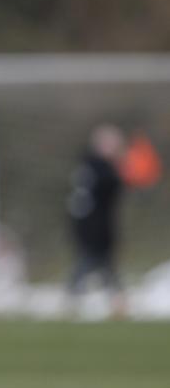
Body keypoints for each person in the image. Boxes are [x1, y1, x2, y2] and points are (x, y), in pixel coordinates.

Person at [66, 124, 127, 316]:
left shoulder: (91, 166)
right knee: (90, 261)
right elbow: (108, 187)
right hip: (93, 225)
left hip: (95, 224)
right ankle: (74, 297)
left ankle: (116, 299)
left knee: (104, 263)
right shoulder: (99, 168)